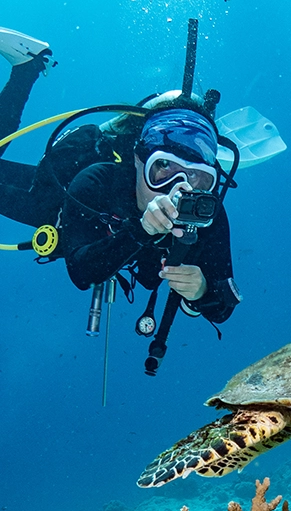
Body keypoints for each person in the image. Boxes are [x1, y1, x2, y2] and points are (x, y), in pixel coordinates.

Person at [0, 28, 241, 341]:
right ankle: (28, 68)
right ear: (139, 160)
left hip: (118, 239)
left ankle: (28, 67)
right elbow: (82, 271)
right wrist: (141, 230)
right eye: (163, 168)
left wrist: (202, 290)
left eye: (196, 177)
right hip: (66, 207)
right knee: (40, 203)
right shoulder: (98, 181)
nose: (177, 188)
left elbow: (223, 305)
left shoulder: (205, 211)